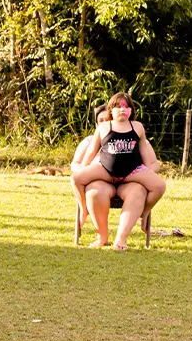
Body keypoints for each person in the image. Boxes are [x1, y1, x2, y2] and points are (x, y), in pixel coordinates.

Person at [71, 91, 168, 250]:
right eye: (117, 106)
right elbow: (91, 152)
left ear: (131, 110)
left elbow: (145, 154)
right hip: (105, 171)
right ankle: (84, 210)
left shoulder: (137, 127)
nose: (122, 109)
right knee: (76, 178)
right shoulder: (103, 127)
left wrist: (148, 172)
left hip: (132, 172)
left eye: (126, 106)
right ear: (110, 110)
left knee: (159, 186)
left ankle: (142, 216)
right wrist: (83, 168)